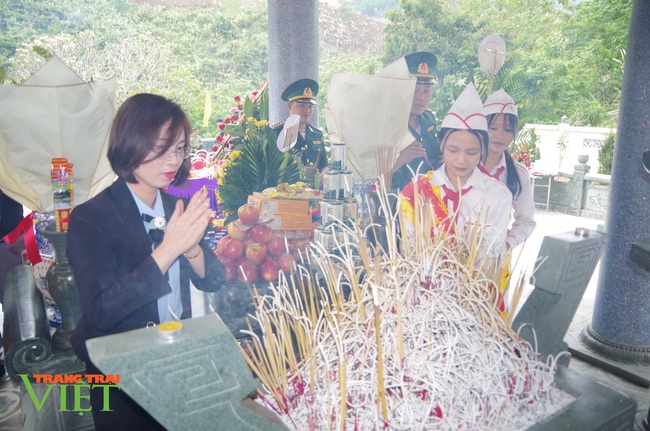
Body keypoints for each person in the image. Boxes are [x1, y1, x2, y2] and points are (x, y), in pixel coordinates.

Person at [66, 93, 226, 430]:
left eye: (179, 148)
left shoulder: (173, 208)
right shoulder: (92, 218)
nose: (172, 160)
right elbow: (101, 312)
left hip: (176, 359)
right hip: (120, 375)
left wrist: (192, 249)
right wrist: (167, 251)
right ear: (130, 143)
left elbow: (213, 279)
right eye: (160, 147)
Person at [401, 83, 513, 257]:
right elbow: (409, 250)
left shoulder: (497, 196)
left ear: (483, 150)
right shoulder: (416, 190)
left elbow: (492, 258)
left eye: (472, 152)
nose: (461, 160)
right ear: (441, 146)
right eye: (453, 150)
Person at [481, 89, 536, 251]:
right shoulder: (463, 167)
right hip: (458, 255)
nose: (500, 135)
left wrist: (506, 245)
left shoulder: (518, 175)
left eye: (507, 129)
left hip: (496, 259)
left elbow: (526, 220)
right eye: (493, 128)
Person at [391, 51, 442, 191]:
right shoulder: (388, 124)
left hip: (428, 199)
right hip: (395, 202)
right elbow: (372, 177)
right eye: (415, 90)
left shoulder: (429, 119)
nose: (421, 97)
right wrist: (401, 159)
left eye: (426, 91)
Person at [274, 78, 329, 172]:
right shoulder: (277, 133)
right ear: (290, 106)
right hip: (287, 186)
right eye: (302, 106)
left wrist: (323, 175)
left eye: (310, 107)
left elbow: (324, 165)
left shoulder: (317, 134)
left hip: (313, 186)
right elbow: (272, 168)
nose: (307, 110)